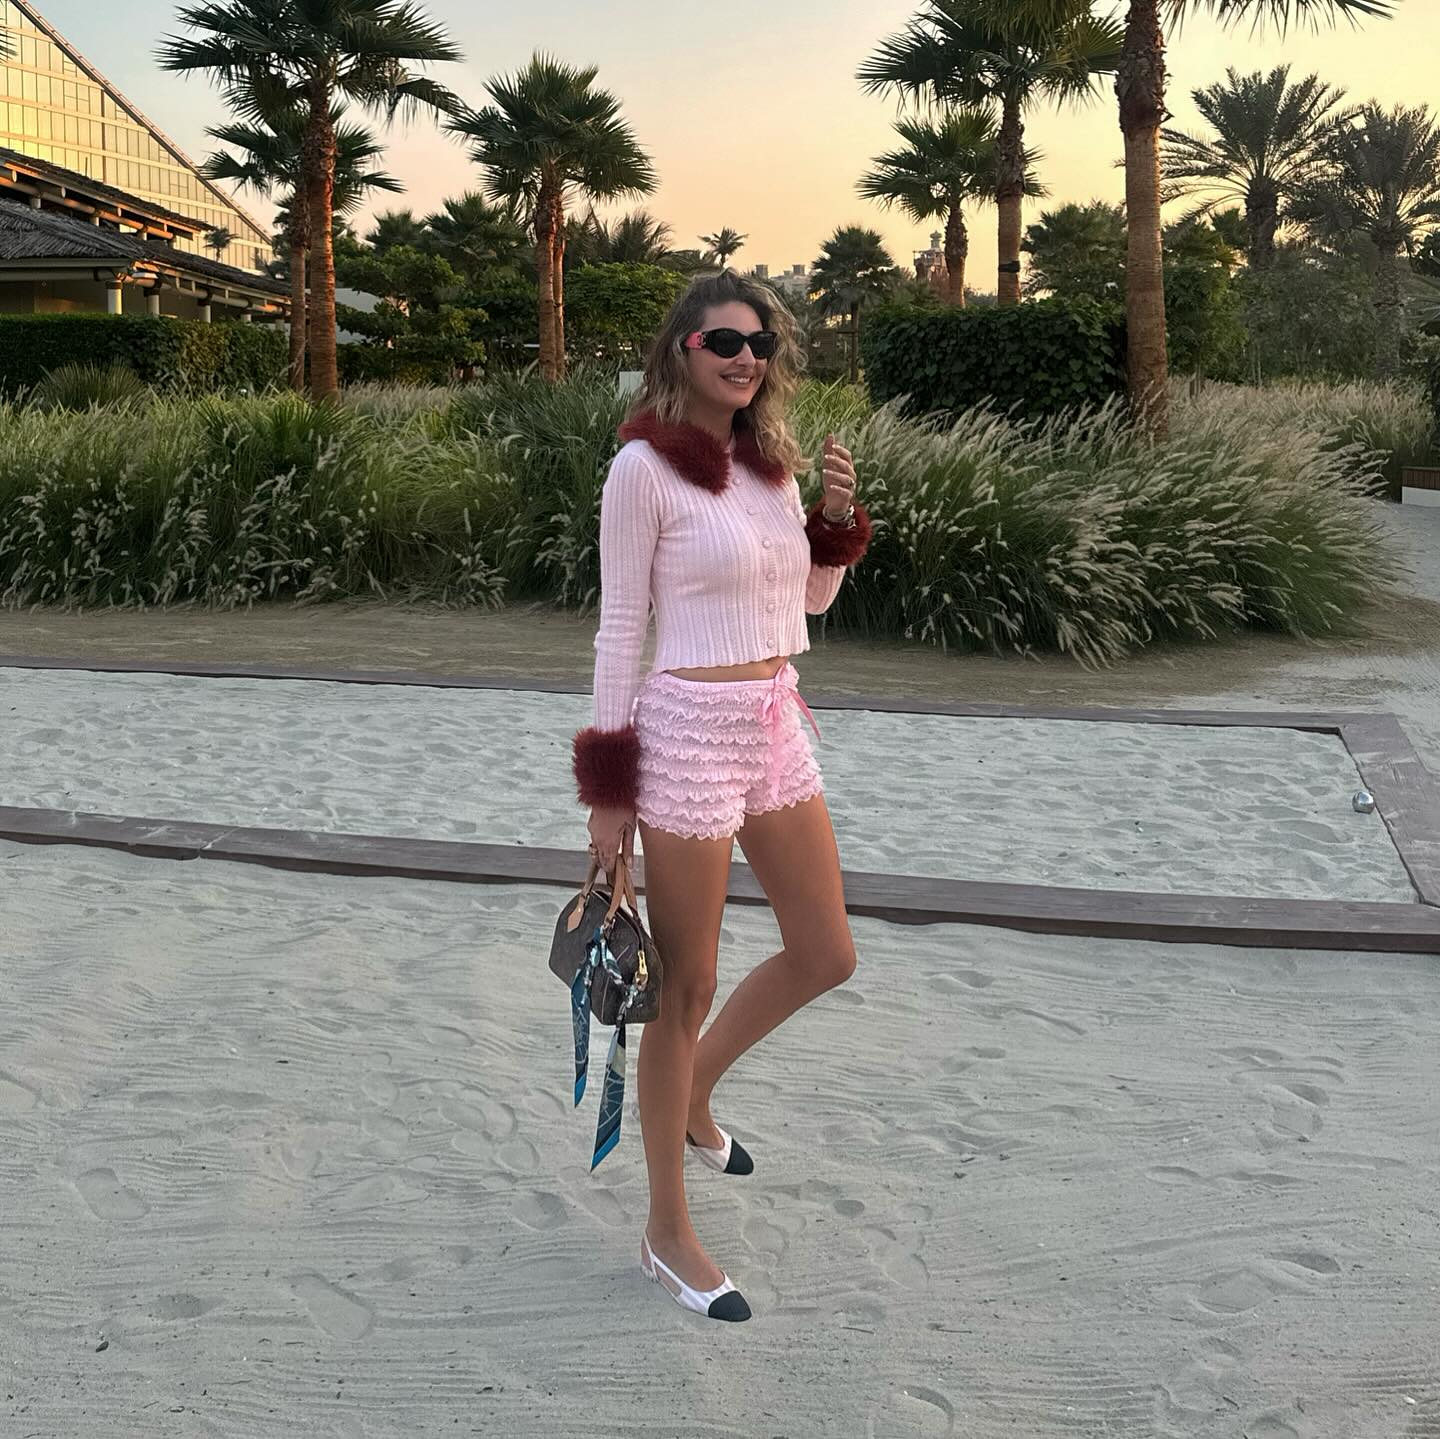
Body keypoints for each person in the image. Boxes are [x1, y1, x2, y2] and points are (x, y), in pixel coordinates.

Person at [570, 270, 872, 1323]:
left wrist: (834, 521)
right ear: (682, 351)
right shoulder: (642, 469)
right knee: (685, 983)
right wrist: (608, 792)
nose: (747, 358)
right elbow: (620, 629)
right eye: (725, 341)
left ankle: (696, 1086)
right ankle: (667, 1228)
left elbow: (804, 602)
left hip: (774, 718)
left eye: (761, 343)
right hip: (686, 732)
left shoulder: (768, 467)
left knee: (825, 950)